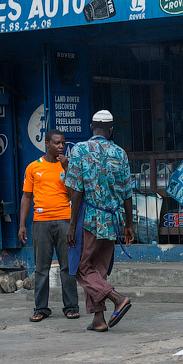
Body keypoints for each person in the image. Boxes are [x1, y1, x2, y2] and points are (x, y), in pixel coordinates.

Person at [65, 110, 135, 332]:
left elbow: (75, 191)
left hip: (89, 219)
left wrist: (72, 224)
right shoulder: (120, 153)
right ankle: (98, 319)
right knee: (99, 269)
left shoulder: (79, 150)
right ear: (111, 129)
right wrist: (129, 225)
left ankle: (117, 298)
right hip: (113, 219)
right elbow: (127, 193)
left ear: (90, 127)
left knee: (80, 268)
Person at [18, 130, 79, 323]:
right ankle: (41, 308)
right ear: (47, 144)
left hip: (64, 221)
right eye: (57, 143)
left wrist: (67, 168)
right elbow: (27, 197)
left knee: (67, 266)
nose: (61, 146)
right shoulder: (33, 168)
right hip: (41, 222)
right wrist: (22, 225)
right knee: (41, 267)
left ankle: (71, 307)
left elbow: (72, 194)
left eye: (63, 143)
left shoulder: (67, 166)